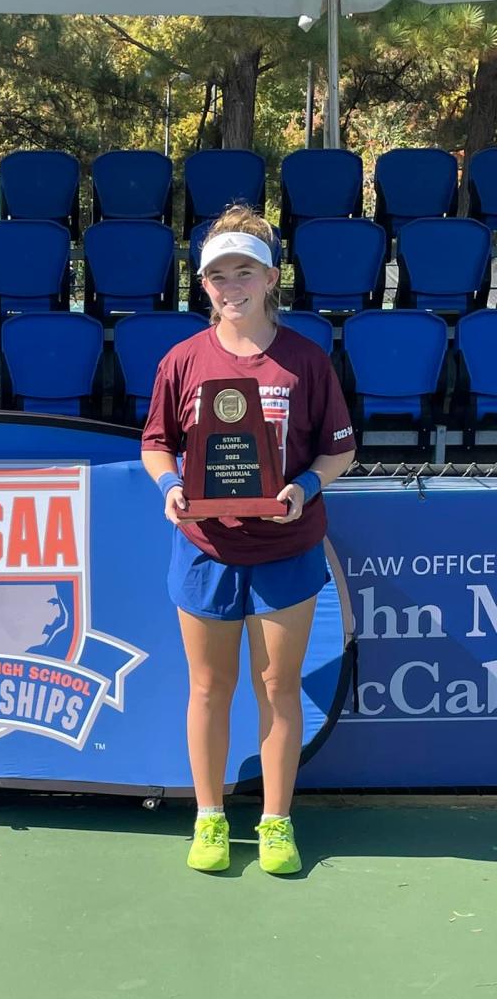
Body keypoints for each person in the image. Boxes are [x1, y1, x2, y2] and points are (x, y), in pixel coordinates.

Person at [140, 204, 357, 875]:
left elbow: (338, 452)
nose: (230, 286)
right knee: (209, 688)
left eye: (244, 271)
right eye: (217, 275)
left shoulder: (306, 361)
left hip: (287, 552)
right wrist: (169, 486)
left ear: (271, 277)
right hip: (206, 551)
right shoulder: (182, 360)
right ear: (202, 284)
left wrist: (306, 489)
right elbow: (156, 443)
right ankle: (209, 818)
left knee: (277, 687)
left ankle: (275, 821)